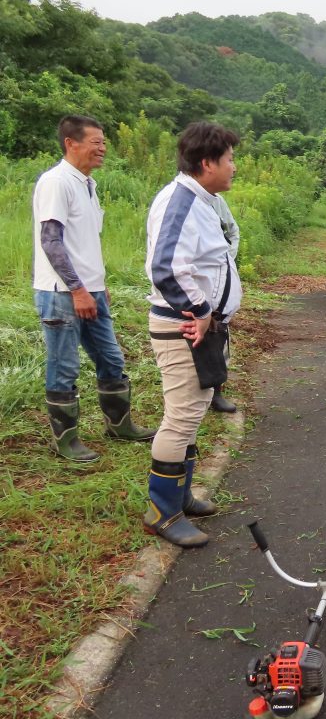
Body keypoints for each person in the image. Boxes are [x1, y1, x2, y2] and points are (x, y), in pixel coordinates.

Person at [32, 114, 155, 462]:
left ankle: (119, 425)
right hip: (61, 293)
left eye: (104, 142)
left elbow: (83, 242)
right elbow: (51, 241)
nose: (102, 148)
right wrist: (78, 290)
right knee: (64, 364)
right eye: (95, 142)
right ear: (71, 143)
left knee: (111, 358)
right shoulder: (56, 182)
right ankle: (66, 442)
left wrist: (97, 286)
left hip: (90, 290)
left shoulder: (88, 184)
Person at [144, 122, 243, 547]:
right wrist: (202, 310)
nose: (234, 167)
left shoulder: (204, 200)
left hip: (200, 327)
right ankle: (162, 513)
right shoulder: (181, 201)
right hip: (183, 326)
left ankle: (181, 496)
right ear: (207, 163)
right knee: (181, 414)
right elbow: (164, 267)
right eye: (229, 160)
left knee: (195, 411)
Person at [209, 194, 239, 413]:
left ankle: (216, 392)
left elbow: (232, 231)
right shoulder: (179, 199)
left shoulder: (216, 201)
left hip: (217, 277)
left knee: (219, 332)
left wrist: (227, 260)